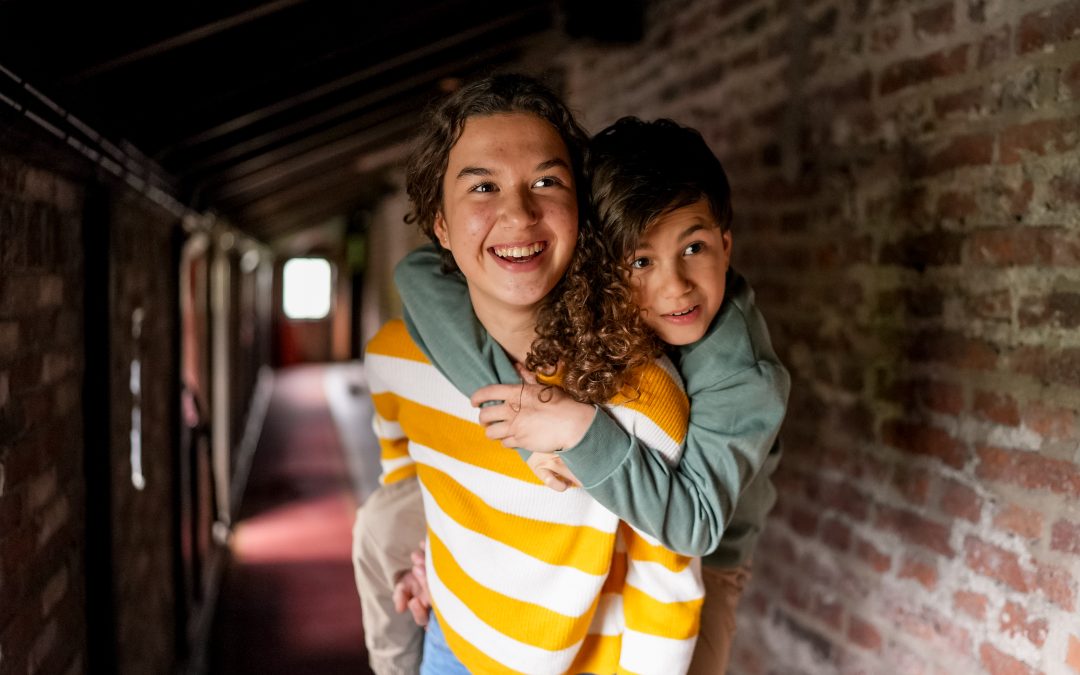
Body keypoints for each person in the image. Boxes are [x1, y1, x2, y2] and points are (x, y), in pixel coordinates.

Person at [392, 116, 790, 674]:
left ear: (726, 245)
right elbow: (417, 275)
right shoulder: (593, 297)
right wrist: (520, 415)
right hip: (606, 538)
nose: (675, 286)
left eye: (694, 248)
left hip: (705, 560)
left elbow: (695, 524)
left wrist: (576, 431)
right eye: (641, 261)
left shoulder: (742, 373)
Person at [355, 74, 703, 675]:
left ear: (579, 210)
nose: (518, 213)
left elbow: (665, 589)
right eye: (482, 187)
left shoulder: (640, 391)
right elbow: (409, 476)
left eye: (546, 182)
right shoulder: (394, 359)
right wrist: (434, 560)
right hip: (448, 649)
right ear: (440, 224)